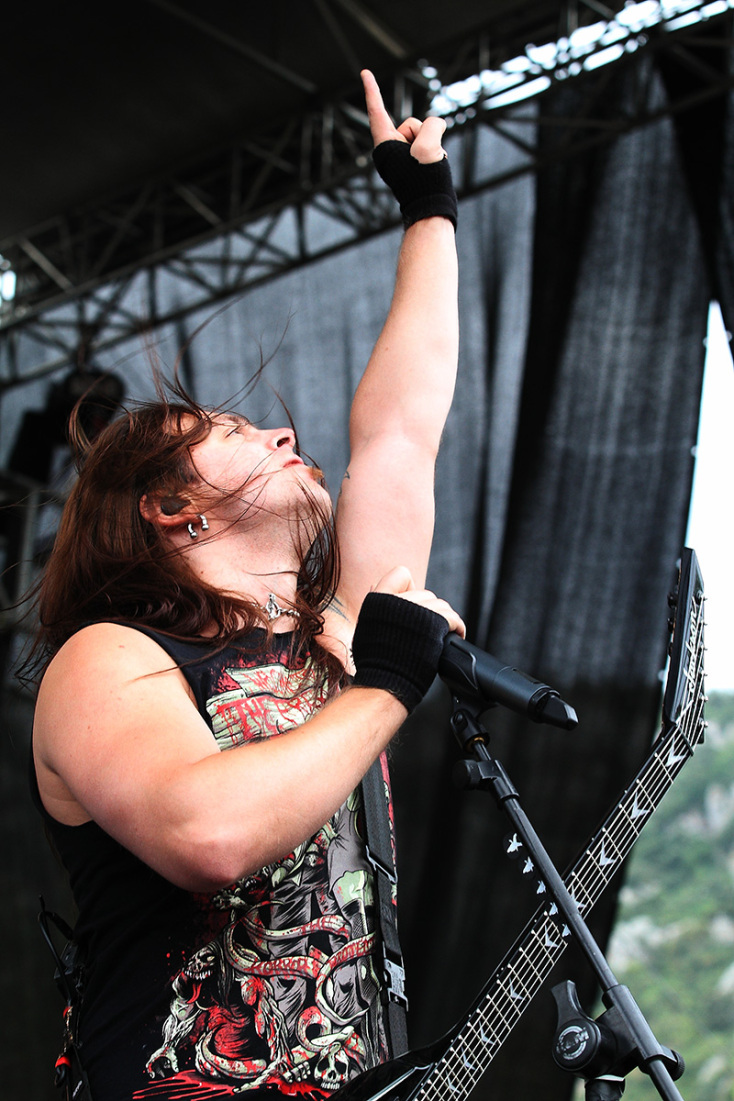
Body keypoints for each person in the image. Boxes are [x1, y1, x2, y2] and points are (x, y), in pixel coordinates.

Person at [30, 70, 464, 1100]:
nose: (280, 431)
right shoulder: (108, 658)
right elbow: (207, 833)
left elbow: (401, 434)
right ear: (171, 507)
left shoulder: (333, 632)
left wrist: (428, 209)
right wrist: (385, 687)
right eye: (233, 432)